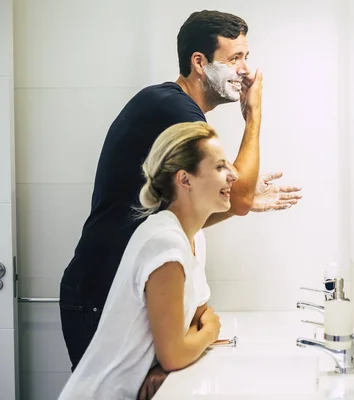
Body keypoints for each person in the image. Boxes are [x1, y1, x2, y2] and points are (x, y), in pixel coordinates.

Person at [58, 9, 301, 397]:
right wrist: (253, 116)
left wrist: (237, 201)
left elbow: (187, 214)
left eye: (246, 56)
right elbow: (234, 198)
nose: (246, 70)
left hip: (120, 284)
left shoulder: (172, 108)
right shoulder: (174, 110)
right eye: (234, 58)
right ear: (199, 63)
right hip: (99, 288)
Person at [58, 121, 234, 399]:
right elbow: (176, 353)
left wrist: (184, 344)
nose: (233, 174)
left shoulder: (193, 237)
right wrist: (210, 332)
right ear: (185, 180)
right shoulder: (164, 243)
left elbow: (196, 316)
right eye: (220, 166)